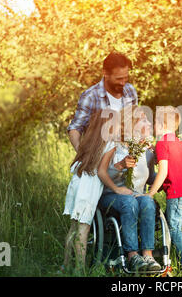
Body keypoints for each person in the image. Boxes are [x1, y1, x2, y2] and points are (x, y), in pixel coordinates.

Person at [62, 109, 129, 271]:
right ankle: (79, 270)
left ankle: (65, 266)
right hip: (88, 188)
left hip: (76, 183)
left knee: (73, 227)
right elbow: (101, 172)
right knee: (83, 229)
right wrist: (116, 189)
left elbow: (73, 133)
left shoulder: (89, 140)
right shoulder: (111, 144)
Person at [97, 105, 161, 272]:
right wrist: (119, 165)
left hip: (136, 195)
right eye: (143, 119)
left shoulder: (147, 151)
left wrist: (166, 173)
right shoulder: (115, 145)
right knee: (128, 202)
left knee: (147, 200)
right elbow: (102, 174)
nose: (148, 122)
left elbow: (151, 177)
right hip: (112, 195)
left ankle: (148, 255)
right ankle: (133, 256)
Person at [144, 106, 182, 275]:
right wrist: (153, 149)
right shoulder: (176, 141)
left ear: (160, 124)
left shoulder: (162, 144)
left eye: (154, 123)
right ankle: (162, 254)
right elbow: (170, 160)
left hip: (177, 193)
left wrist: (150, 193)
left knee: (173, 228)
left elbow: (164, 172)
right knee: (167, 224)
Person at [67, 52, 138, 152]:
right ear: (105, 73)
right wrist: (82, 155)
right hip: (99, 158)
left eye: (125, 77)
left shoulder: (130, 91)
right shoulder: (90, 96)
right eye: (119, 78)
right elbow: (75, 128)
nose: (123, 82)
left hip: (126, 158)